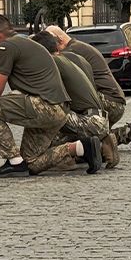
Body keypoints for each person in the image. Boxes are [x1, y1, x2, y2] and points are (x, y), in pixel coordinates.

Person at [0, 15, 101, 177]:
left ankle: (13, 162)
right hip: (59, 109)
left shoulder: (6, 46)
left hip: (45, 106)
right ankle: (81, 147)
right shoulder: (25, 42)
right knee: (31, 163)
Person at [45, 25, 131, 151]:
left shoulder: (69, 53)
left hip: (108, 101)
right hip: (113, 99)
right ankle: (128, 132)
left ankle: (107, 142)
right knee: (84, 135)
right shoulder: (77, 46)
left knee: (71, 138)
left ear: (59, 40)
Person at [31, 31, 115, 169]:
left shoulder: (52, 64)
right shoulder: (74, 58)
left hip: (88, 121)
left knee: (49, 114)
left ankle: (90, 149)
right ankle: (101, 142)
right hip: (101, 117)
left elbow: (48, 97)